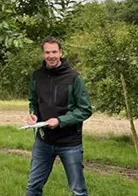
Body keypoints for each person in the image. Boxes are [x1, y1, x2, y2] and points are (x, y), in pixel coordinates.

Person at [26, 37, 92, 196]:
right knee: (33, 187)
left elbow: (85, 109)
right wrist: (33, 115)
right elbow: (33, 102)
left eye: (54, 52)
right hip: (43, 142)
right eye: (47, 52)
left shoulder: (74, 78)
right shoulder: (36, 76)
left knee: (78, 190)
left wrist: (60, 121)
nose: (51, 56)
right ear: (43, 54)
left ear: (61, 53)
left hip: (69, 143)